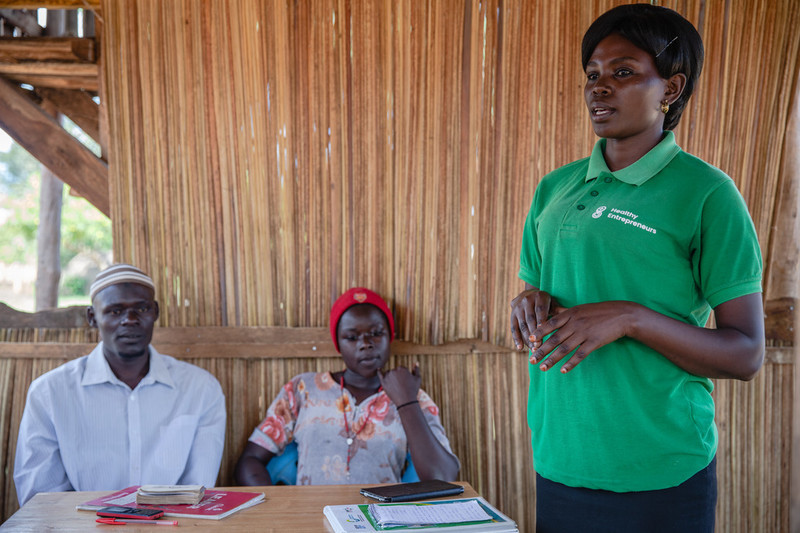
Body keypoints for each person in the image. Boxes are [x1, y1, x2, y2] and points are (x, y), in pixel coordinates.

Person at [509, 5, 764, 532]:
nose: (600, 88)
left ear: (670, 89)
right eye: (593, 76)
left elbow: (745, 354)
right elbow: (541, 293)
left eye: (623, 72)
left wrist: (631, 317)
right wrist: (526, 305)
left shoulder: (707, 194)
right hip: (562, 460)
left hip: (662, 470)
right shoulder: (555, 190)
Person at [14, 264, 226, 505]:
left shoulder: (201, 389)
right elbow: (41, 500)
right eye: (115, 311)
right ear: (92, 318)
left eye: (142, 308)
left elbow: (197, 491)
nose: (130, 320)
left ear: (155, 312)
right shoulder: (49, 393)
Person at [235, 287, 460, 485]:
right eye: (352, 337)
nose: (365, 344)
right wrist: (280, 511)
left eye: (376, 334)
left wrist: (406, 402)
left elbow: (443, 477)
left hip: (381, 524)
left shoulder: (411, 396)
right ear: (338, 344)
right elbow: (251, 460)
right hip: (309, 523)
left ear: (390, 336)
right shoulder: (303, 389)